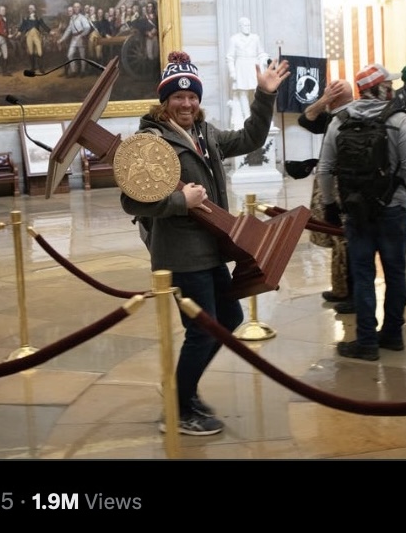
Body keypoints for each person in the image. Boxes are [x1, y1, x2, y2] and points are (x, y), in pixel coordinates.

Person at [120, 50, 290, 435]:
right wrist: (182, 200)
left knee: (228, 319)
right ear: (165, 102)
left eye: (192, 96)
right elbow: (131, 200)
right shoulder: (150, 141)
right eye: (178, 97)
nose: (186, 103)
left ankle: (183, 389)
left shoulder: (205, 133)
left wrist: (264, 95)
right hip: (180, 254)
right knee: (203, 328)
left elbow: (251, 136)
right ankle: (178, 410)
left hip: (211, 248)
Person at [317, 64, 406, 361]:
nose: (393, 89)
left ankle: (366, 341)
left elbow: (325, 168)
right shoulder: (398, 119)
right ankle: (393, 334)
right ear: (381, 88)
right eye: (389, 85)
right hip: (393, 208)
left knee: (363, 274)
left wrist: (330, 204)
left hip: (356, 211)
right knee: (396, 273)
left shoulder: (339, 120)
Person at [298, 79, 355, 304]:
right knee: (338, 242)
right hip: (334, 185)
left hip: (342, 188)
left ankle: (350, 294)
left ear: (335, 98)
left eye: (328, 93)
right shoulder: (333, 116)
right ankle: (341, 289)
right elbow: (306, 118)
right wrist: (325, 100)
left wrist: (325, 100)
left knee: (344, 241)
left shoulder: (349, 116)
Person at [225, 17, 270, 128]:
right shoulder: (234, 39)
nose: (247, 28)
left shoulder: (255, 38)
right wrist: (232, 72)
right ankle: (246, 116)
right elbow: (229, 57)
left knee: (257, 91)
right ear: (240, 27)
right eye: (245, 25)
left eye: (249, 25)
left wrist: (265, 59)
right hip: (241, 66)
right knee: (242, 92)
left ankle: (257, 114)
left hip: (253, 65)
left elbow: (261, 53)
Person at [58, 2, 93, 76]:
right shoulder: (72, 18)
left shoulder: (82, 17)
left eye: (77, 7)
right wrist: (61, 39)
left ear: (80, 8)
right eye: (75, 7)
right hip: (74, 39)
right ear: (73, 8)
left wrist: (82, 35)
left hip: (81, 38)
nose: (76, 8)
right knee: (70, 55)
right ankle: (74, 71)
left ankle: (83, 71)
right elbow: (68, 30)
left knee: (82, 56)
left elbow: (87, 27)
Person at [16, 4, 50, 72]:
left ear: (34, 9)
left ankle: (41, 68)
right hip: (29, 35)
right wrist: (19, 32)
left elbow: (43, 25)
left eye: (32, 8)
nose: (30, 9)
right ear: (28, 10)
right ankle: (33, 68)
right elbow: (22, 26)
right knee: (30, 51)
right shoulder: (26, 18)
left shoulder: (38, 17)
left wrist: (50, 31)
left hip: (36, 35)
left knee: (39, 51)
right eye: (29, 8)